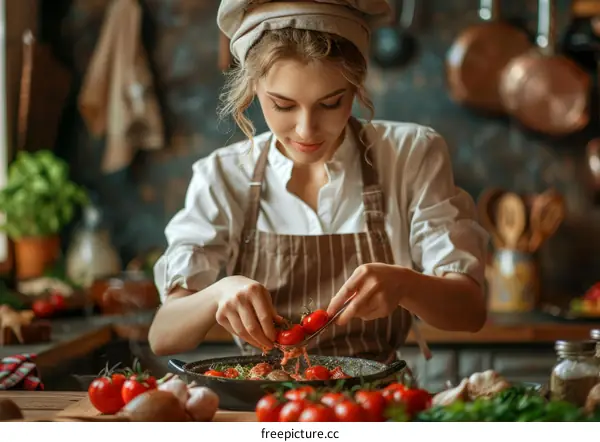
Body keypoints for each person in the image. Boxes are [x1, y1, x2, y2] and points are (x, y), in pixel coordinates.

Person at [148, 0, 490, 363]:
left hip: (374, 409)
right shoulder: (223, 174)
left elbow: (470, 312)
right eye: (283, 105)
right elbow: (163, 335)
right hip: (261, 406)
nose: (306, 130)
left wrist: (407, 285)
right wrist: (217, 293)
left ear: (356, 87)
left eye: (331, 103)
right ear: (252, 89)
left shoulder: (411, 154)